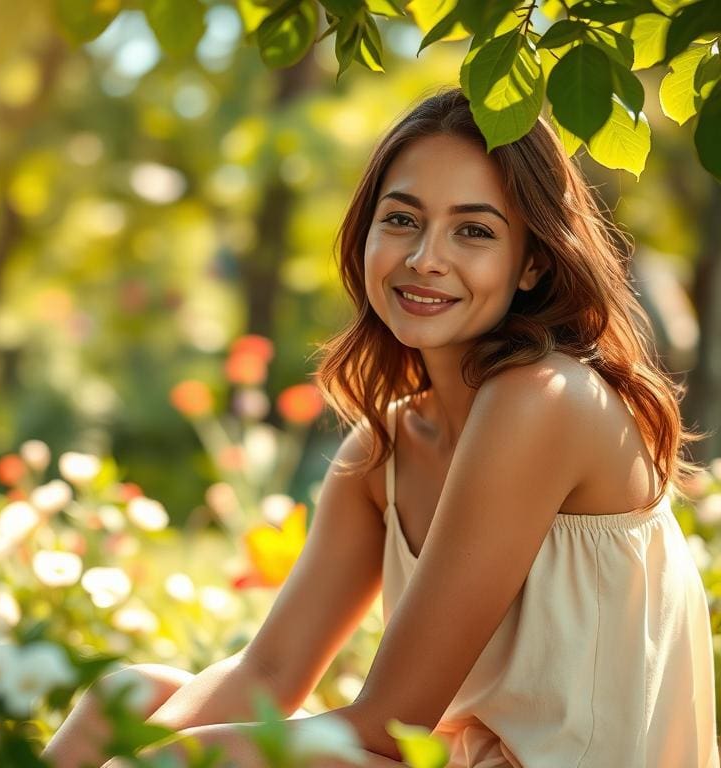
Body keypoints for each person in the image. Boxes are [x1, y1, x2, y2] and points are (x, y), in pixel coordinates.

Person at [44, 88, 719, 768]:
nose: (426, 257)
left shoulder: (542, 399)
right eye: (402, 220)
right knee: (127, 698)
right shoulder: (382, 450)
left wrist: (173, 758)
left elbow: (393, 722)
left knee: (215, 760)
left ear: (534, 262)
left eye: (474, 230)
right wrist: (138, 749)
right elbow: (270, 675)